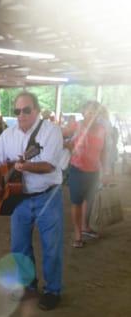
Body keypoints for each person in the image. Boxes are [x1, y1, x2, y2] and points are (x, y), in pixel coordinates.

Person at [0, 92, 64, 311]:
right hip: (18, 198)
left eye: (26, 110)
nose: (21, 115)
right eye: (17, 111)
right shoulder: (8, 134)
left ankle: (52, 291)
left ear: (37, 111)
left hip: (48, 196)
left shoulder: (51, 132)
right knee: (19, 246)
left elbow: (49, 164)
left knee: (51, 246)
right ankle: (28, 286)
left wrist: (25, 166)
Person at [66, 101, 111, 247]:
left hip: (94, 171)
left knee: (89, 201)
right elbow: (58, 137)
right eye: (89, 111)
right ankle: (78, 234)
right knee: (77, 202)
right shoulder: (76, 126)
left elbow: (104, 152)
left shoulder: (102, 129)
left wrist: (105, 171)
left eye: (95, 112)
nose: (92, 114)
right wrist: (71, 146)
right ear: (83, 112)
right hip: (77, 170)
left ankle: (85, 227)